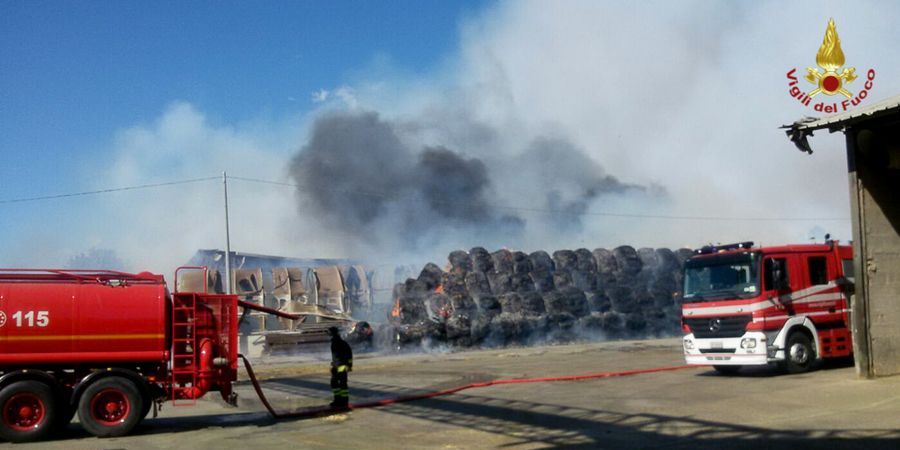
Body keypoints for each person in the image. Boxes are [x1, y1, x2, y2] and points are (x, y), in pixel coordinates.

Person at [328, 326, 353, 409]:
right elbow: (339, 355)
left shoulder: (337, 342)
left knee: (341, 384)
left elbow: (348, 354)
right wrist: (334, 363)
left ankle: (342, 402)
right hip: (338, 365)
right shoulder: (339, 342)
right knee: (335, 383)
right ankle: (339, 400)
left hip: (341, 366)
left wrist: (349, 365)